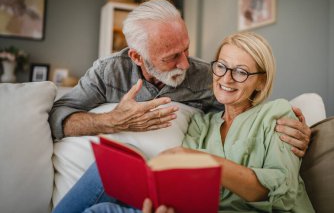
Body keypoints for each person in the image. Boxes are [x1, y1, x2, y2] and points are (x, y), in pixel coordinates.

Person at [54, 31, 314, 213]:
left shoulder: (277, 116)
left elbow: (282, 193)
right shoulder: (203, 125)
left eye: (242, 72)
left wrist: (206, 162)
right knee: (102, 202)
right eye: (221, 66)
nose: (227, 78)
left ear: (261, 80)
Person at [49, 0, 310, 157]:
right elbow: (58, 116)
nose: (185, 63)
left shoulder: (208, 75)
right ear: (138, 57)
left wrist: (287, 128)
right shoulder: (108, 72)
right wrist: (112, 121)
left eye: (186, 48)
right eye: (171, 57)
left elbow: (248, 109)